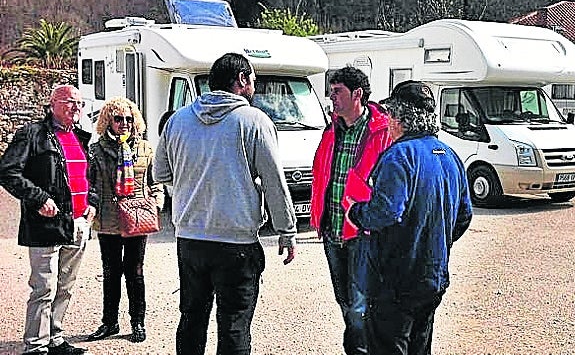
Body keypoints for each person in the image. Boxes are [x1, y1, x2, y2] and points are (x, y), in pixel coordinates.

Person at [153, 52, 297, 355]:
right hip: (236, 242)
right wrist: (286, 229)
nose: (254, 88)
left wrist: (193, 180)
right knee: (234, 325)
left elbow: (160, 173)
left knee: (191, 319)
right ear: (242, 80)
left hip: (190, 238)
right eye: (254, 81)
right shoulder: (254, 121)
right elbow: (273, 180)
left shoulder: (178, 119)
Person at [344, 80, 473, 355]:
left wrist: (356, 212)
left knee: (389, 345)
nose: (387, 121)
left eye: (390, 114)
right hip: (432, 275)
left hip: (395, 279)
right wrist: (434, 239)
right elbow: (463, 216)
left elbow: (386, 211)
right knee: (420, 346)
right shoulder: (450, 156)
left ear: (401, 118)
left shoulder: (398, 156)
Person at [0, 85, 95, 355]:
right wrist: (39, 198)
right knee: (43, 287)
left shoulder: (81, 137)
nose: (76, 108)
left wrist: (93, 204)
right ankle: (36, 347)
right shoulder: (32, 134)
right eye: (70, 102)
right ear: (52, 103)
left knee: (66, 285)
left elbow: (91, 177)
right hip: (46, 224)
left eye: (80, 103)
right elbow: (8, 172)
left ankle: (55, 338)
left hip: (77, 223)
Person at [310, 66, 391, 355]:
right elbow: (320, 173)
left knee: (359, 305)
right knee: (344, 300)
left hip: (362, 233)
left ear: (357, 94)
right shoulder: (331, 130)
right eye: (331, 90)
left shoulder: (381, 132)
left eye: (337, 91)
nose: (331, 96)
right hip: (332, 229)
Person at [85, 97, 164, 344]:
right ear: (108, 120)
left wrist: (157, 200)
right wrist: (89, 208)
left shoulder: (145, 149)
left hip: (136, 217)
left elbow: (155, 180)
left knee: (135, 271)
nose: (124, 123)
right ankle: (109, 322)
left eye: (129, 119)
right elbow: (90, 184)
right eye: (119, 119)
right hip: (108, 219)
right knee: (110, 272)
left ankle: (137, 322)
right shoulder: (96, 150)